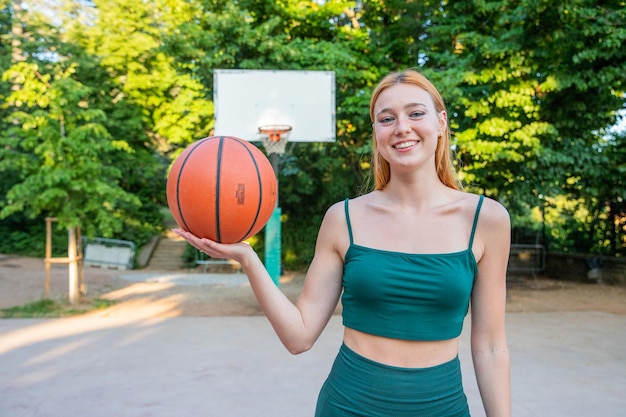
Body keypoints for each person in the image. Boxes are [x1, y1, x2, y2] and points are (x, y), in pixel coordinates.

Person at [174, 69, 511, 417]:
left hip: (441, 407)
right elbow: (298, 337)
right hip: (348, 405)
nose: (402, 127)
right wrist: (248, 259)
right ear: (377, 133)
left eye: (415, 113)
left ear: (441, 122)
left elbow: (491, 347)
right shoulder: (344, 218)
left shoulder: (486, 220)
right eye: (386, 118)